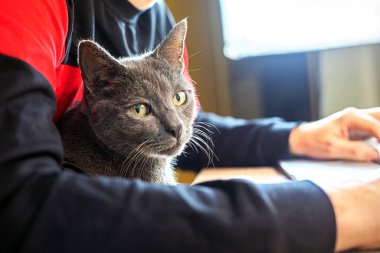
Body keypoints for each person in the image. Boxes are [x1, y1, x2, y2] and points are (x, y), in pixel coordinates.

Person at [0, 0, 379, 252]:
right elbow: (20, 205)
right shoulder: (28, 9)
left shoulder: (156, 18)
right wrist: (334, 211)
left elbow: (181, 126)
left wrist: (294, 137)